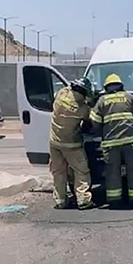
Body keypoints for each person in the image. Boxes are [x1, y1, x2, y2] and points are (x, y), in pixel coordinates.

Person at [90, 74, 133, 209]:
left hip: (111, 144)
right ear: (121, 85)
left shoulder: (102, 101)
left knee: (112, 172)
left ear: (106, 87)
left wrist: (99, 132)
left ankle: (114, 201)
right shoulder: (130, 97)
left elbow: (95, 121)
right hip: (130, 143)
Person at [49, 78, 95, 210]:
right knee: (81, 171)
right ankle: (83, 200)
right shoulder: (81, 108)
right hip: (72, 145)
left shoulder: (61, 93)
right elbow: (90, 118)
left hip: (54, 142)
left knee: (58, 172)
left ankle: (60, 200)